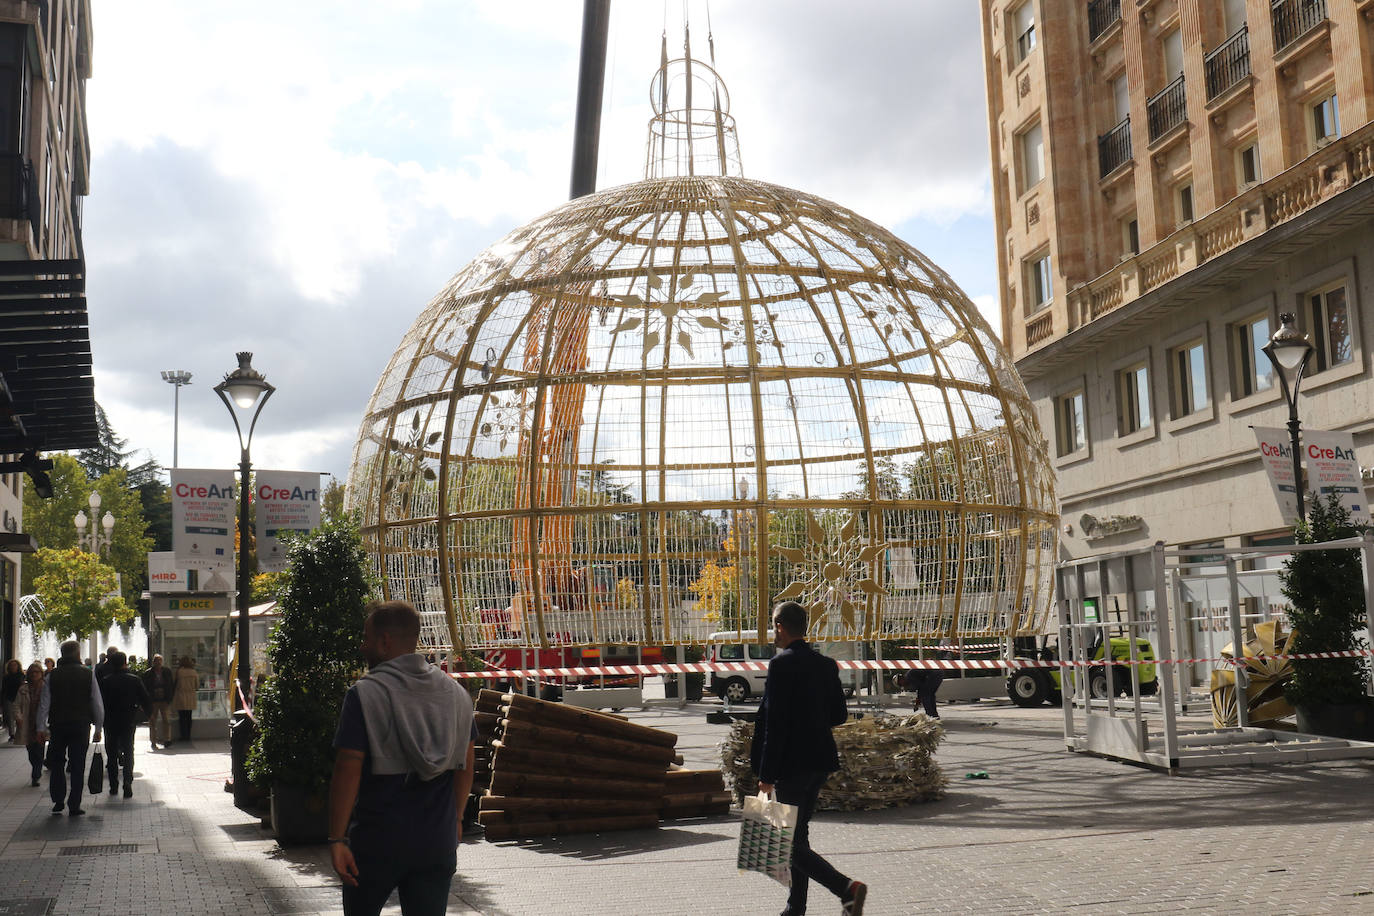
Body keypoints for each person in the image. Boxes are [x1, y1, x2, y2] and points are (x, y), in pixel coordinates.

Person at [328, 600, 476, 916]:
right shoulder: (456, 694)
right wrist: (457, 818)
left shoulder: (364, 694)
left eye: (366, 637)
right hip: (437, 840)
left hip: (377, 842)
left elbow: (348, 767)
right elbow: (466, 762)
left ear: (384, 642)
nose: (361, 645)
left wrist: (337, 838)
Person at [751, 601, 867, 916]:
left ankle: (847, 888)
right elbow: (839, 715)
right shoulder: (826, 664)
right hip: (819, 762)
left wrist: (766, 773)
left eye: (772, 624)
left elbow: (775, 725)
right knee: (797, 836)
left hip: (790, 765)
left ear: (780, 626)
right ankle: (795, 907)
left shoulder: (781, 665)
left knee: (786, 841)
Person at [36, 639, 104, 816]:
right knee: (77, 764)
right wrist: (98, 728)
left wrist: (40, 728)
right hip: (81, 725)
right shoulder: (88, 674)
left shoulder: (52, 675)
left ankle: (58, 800)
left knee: (57, 763)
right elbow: (96, 703)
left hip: (58, 725)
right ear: (78, 654)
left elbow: (44, 704)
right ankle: (75, 803)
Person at [98, 651, 150, 798]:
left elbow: (99, 703)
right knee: (128, 752)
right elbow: (145, 699)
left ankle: (113, 785)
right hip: (128, 721)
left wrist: (97, 722)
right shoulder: (134, 679)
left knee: (112, 753)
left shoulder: (105, 681)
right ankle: (127, 781)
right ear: (125, 662)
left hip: (110, 722)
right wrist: (147, 715)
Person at [15, 662, 46, 785]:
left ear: (41, 674)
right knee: (31, 750)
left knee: (39, 749)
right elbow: (16, 705)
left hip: (41, 723)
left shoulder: (45, 687)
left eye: (37, 672)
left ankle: (36, 775)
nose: (34, 675)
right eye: (32, 672)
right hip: (27, 723)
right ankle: (36, 767)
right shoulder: (23, 689)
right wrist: (18, 716)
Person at [142, 654, 175, 748]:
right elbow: (145, 687)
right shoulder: (148, 673)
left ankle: (167, 740)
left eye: (160, 661)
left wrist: (170, 697)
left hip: (165, 700)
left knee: (167, 720)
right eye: (157, 661)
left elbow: (171, 685)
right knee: (152, 721)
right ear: (154, 662)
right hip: (153, 701)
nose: (159, 663)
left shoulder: (167, 671)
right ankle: (153, 741)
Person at [172, 656, 198, 742]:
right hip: (191, 696)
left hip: (181, 696)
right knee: (189, 717)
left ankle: (183, 735)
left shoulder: (179, 672)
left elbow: (175, 684)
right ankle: (188, 735)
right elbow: (197, 686)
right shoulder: (194, 672)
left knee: (182, 718)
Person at [2, 658, 23, 742]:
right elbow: (3, 689)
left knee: (19, 716)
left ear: (18, 666)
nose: (13, 667)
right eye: (11, 665)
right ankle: (12, 734)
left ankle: (19, 733)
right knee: (10, 717)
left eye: (15, 665)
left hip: (20, 698)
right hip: (9, 698)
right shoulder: (6, 677)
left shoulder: (22, 675)